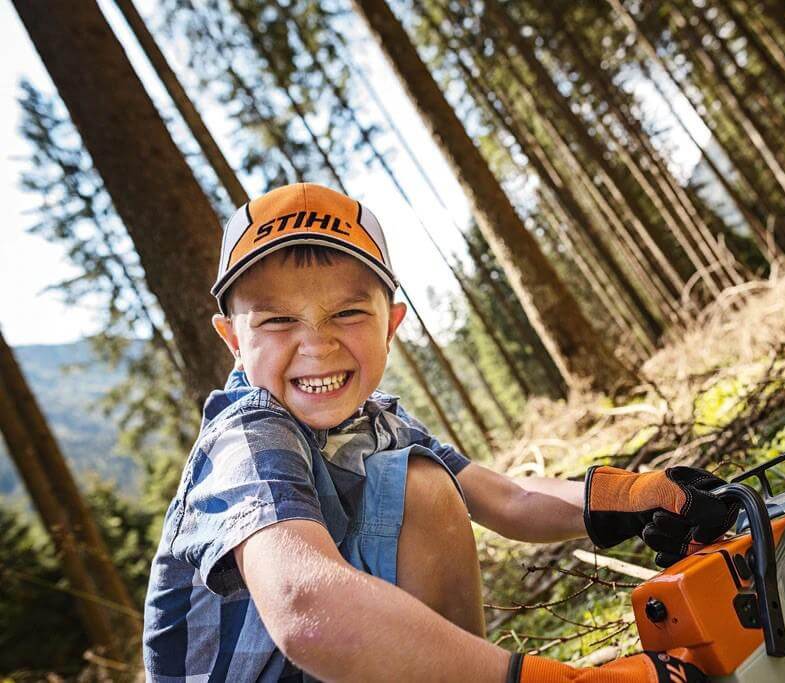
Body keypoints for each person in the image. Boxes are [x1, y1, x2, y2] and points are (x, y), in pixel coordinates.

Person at [142, 183, 736, 682]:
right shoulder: (245, 436)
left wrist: (628, 498)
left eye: (347, 313)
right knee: (422, 483)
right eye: (277, 321)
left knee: (426, 482)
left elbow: (507, 498)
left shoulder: (379, 424)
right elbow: (304, 605)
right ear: (232, 340)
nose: (317, 344)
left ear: (392, 324)